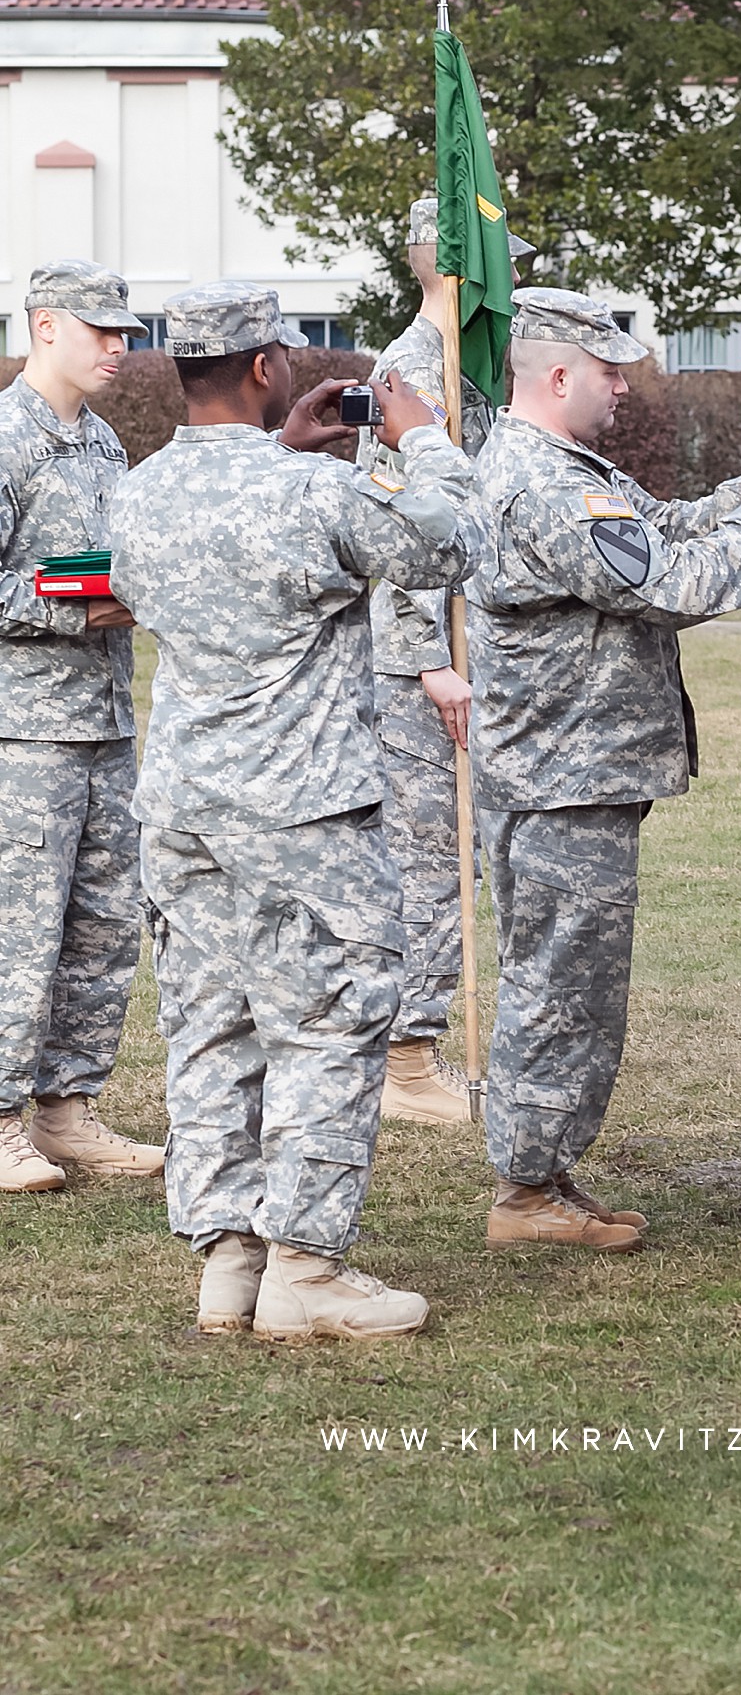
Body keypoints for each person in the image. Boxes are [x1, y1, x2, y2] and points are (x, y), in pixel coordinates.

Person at [109, 282, 489, 1341]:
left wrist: (292, 451)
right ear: (269, 366)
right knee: (327, 1022)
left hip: (185, 803)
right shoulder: (308, 496)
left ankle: (227, 1259)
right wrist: (418, 438)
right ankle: (308, 1267)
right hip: (302, 809)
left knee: (210, 1021)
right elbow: (457, 543)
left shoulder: (136, 493)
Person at [466, 288, 741, 1252]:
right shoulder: (541, 484)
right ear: (559, 375)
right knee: (561, 982)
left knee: (563, 973)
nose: (622, 386)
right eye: (609, 370)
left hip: (571, 767)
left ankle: (543, 1177)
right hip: (562, 772)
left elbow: (654, 531)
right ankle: (527, 1191)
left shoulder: (564, 466)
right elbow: (668, 583)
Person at [361, 198, 536, 1128]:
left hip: (466, 648)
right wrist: (430, 660)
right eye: (501, 266)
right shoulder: (408, 372)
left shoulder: (473, 370)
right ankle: (405, 1053)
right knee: (427, 858)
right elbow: (388, 530)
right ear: (456, 268)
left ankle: (414, 1041)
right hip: (414, 668)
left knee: (454, 854)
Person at [0, 259, 164, 1192]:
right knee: (18, 928)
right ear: (45, 326)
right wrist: (75, 608)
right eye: (101, 331)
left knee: (102, 924)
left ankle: (67, 1108)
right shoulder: (5, 439)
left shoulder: (104, 444)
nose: (118, 349)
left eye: (125, 334)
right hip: (21, 730)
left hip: (103, 716)